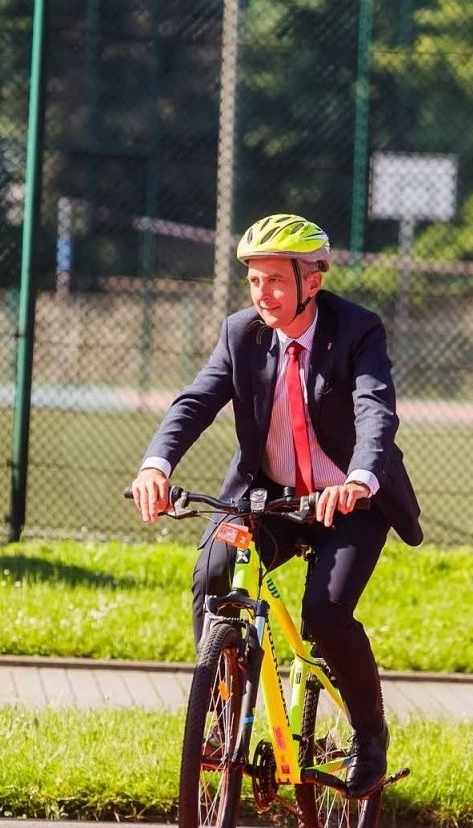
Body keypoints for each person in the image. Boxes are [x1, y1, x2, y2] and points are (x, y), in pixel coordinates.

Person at [130, 212, 422, 798]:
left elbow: (375, 410)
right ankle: (219, 720)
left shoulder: (358, 330)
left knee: (325, 616)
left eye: (277, 281)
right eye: (256, 281)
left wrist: (362, 478)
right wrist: (156, 464)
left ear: (313, 280)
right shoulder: (241, 333)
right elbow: (195, 402)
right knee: (214, 570)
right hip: (269, 498)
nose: (264, 294)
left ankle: (370, 735)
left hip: (349, 505)